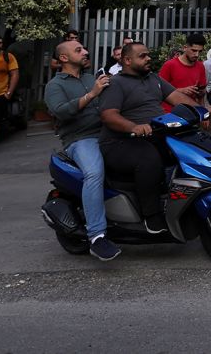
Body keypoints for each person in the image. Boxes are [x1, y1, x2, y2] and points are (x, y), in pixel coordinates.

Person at [98, 42, 207, 235]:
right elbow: (109, 115)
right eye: (143, 56)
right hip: (120, 142)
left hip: (153, 136)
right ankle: (152, 217)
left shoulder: (153, 79)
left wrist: (201, 110)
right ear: (127, 60)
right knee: (149, 159)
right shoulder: (116, 83)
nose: (149, 58)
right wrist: (134, 126)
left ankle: (185, 205)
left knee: (189, 152)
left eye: (148, 55)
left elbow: (176, 97)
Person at [43, 39, 120, 261]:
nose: (86, 51)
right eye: (79, 50)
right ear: (64, 58)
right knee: (94, 173)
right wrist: (92, 94)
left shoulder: (90, 78)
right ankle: (97, 236)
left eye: (84, 48)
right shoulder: (55, 85)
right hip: (81, 138)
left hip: (109, 133)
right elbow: (61, 112)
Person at [159, 33, 207, 113]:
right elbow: (158, 90)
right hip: (171, 113)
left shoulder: (200, 66)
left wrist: (201, 93)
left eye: (200, 51)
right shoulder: (170, 65)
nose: (197, 54)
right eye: (194, 50)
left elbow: (202, 93)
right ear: (185, 48)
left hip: (192, 113)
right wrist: (181, 91)